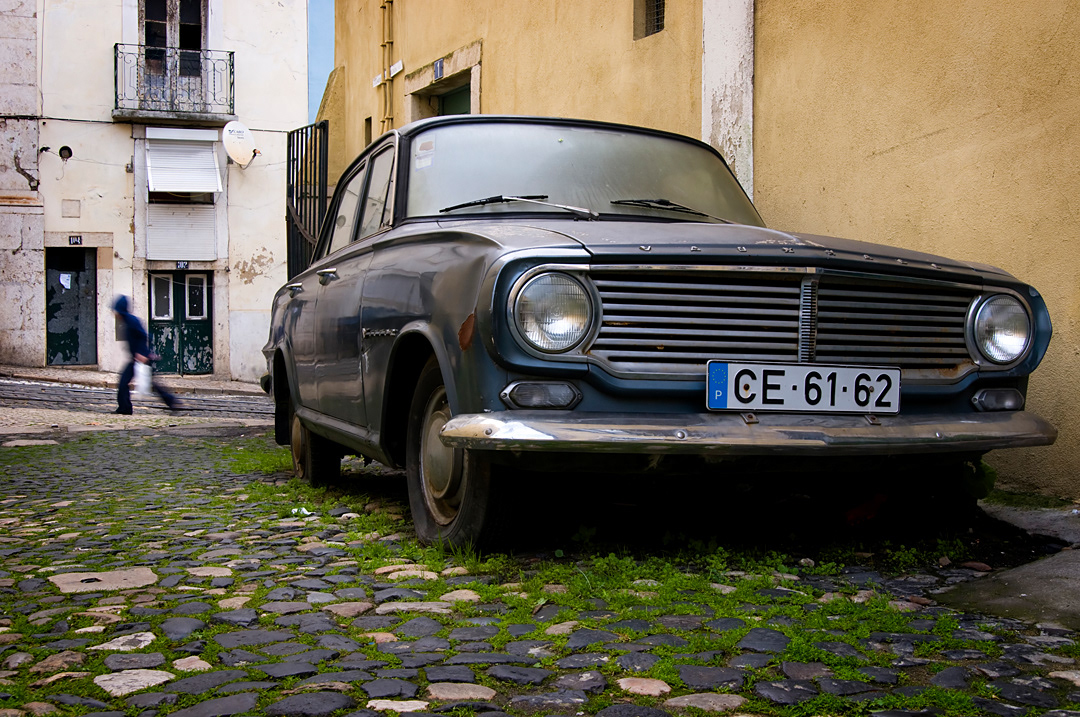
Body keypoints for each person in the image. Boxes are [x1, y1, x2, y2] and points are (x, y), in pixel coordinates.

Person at [113, 295, 178, 414]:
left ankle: (171, 401)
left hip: (141, 358)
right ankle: (125, 408)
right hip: (136, 358)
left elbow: (145, 336)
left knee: (125, 383)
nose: (115, 314)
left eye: (116, 310)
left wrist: (142, 353)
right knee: (130, 382)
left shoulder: (131, 321)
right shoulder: (127, 321)